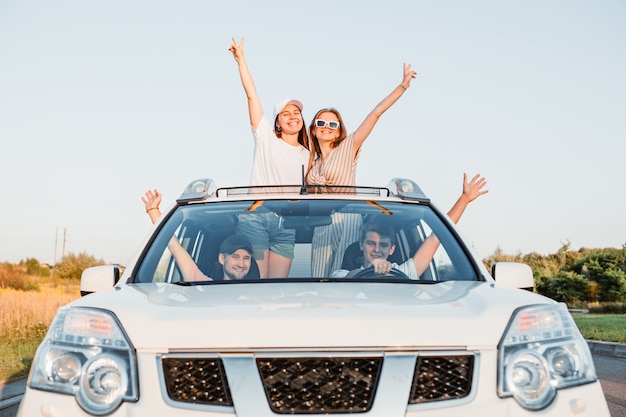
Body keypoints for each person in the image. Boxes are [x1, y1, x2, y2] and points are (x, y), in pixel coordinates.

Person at [306, 63, 417, 277]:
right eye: (321, 122)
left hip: (348, 217)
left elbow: (375, 114)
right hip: (322, 223)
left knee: (343, 277)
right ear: (313, 129)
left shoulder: (348, 147)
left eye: (333, 124)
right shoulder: (311, 161)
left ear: (339, 132)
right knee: (318, 279)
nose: (327, 127)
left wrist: (402, 86)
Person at [229, 37, 310, 278]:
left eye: (296, 113)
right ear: (277, 121)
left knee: (277, 287)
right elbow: (252, 96)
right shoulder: (265, 138)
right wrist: (241, 60)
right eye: (286, 113)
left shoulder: (309, 155)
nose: (292, 116)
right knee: (259, 283)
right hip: (257, 216)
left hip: (287, 223)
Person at [335, 173, 489, 278]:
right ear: (361, 245)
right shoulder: (341, 275)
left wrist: (464, 199)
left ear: (392, 249)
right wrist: (370, 270)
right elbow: (346, 278)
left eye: (383, 245)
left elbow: (436, 238)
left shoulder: (403, 272)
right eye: (370, 243)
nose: (376, 250)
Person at [142, 189, 254, 281]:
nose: (241, 263)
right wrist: (153, 210)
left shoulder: (259, 294)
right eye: (235, 257)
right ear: (222, 259)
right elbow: (176, 249)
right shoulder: (204, 286)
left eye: (246, 258)